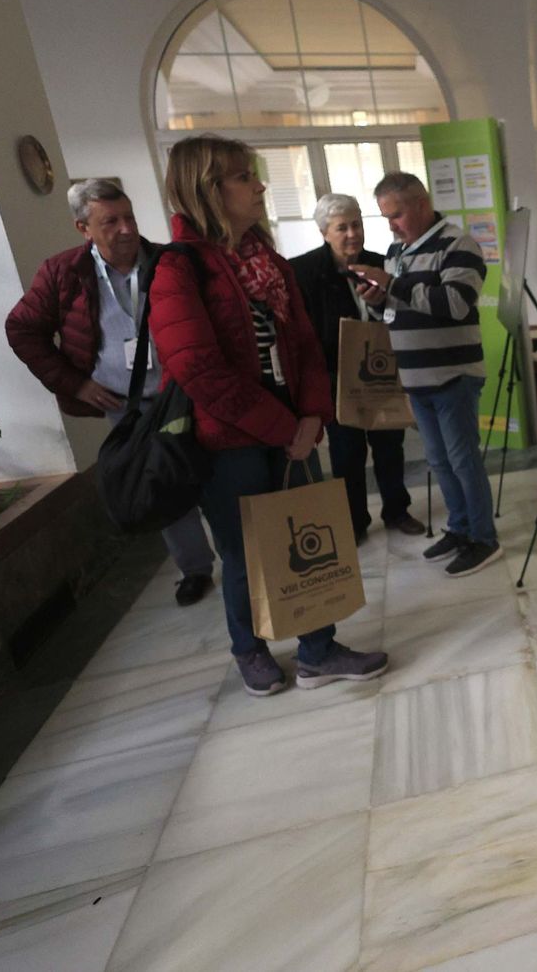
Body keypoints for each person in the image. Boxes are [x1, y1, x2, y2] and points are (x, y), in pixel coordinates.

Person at [150, 134, 389, 696]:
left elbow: (304, 345)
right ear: (209, 188)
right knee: (242, 552)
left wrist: (310, 415)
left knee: (304, 531)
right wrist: (288, 428)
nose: (259, 185)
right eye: (243, 176)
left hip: (292, 430)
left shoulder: (267, 262)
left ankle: (317, 649)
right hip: (228, 440)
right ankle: (249, 649)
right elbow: (199, 370)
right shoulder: (178, 268)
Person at [5, 179, 215, 607]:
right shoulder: (62, 273)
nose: (125, 229)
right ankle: (194, 568)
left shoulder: (168, 262)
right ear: (83, 228)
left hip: (183, 392)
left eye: (129, 217)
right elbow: (22, 329)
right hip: (127, 405)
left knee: (210, 472)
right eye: (110, 221)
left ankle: (240, 550)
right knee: (161, 482)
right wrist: (75, 383)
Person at [352, 173, 500, 577]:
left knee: (463, 460)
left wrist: (393, 286)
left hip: (453, 375)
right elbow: (393, 313)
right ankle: (460, 527)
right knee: (439, 460)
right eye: (385, 217)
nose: (391, 225)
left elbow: (455, 303)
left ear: (420, 203)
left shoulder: (459, 244)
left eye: (396, 214)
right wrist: (377, 300)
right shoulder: (396, 250)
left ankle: (484, 539)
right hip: (416, 378)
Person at [289, 193, 424, 543]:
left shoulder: (382, 264)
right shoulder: (303, 272)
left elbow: (400, 316)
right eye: (342, 227)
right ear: (324, 232)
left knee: (389, 446)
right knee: (347, 454)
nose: (352, 233)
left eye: (357, 224)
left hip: (381, 374)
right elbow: (300, 332)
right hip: (336, 379)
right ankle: (354, 521)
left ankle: (397, 510)